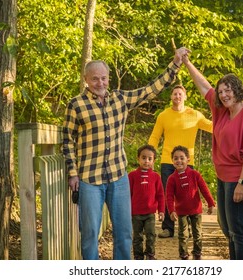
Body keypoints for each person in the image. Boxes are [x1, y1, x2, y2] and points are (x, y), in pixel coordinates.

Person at [62, 47, 189, 260]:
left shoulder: (120, 99)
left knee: (124, 232)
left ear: (108, 78)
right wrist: (72, 173)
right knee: (90, 233)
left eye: (103, 78)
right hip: (88, 179)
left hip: (118, 176)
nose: (100, 83)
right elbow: (67, 140)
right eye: (95, 79)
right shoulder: (76, 105)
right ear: (86, 79)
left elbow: (151, 90)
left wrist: (175, 64)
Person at [182, 55, 243, 260]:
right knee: (229, 230)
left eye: (228, 90)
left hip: (238, 179)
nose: (224, 94)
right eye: (221, 92)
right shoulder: (221, 112)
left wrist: (242, 183)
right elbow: (203, 86)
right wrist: (186, 63)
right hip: (223, 178)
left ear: (237, 89)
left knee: (239, 231)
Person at [148, 85, 212, 238]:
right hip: (167, 161)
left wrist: (226, 117)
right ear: (171, 97)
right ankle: (168, 228)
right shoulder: (163, 116)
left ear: (185, 96)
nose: (177, 96)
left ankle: (189, 228)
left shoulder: (195, 114)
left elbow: (212, 127)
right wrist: (150, 154)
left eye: (180, 94)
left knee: (188, 195)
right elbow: (155, 136)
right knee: (166, 193)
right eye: (174, 94)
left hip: (187, 161)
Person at [166, 145, 215, 260]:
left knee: (197, 233)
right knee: (183, 234)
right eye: (176, 158)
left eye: (182, 158)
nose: (179, 161)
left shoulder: (194, 174)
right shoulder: (172, 178)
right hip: (181, 211)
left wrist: (210, 202)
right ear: (172, 161)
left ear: (188, 159)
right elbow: (168, 196)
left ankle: (197, 253)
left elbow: (204, 189)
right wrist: (171, 211)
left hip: (195, 209)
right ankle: (183, 253)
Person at [128, 144, 165, 260]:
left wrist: (161, 211)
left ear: (154, 160)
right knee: (137, 236)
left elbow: (160, 195)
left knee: (150, 234)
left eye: (150, 159)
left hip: (150, 213)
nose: (146, 161)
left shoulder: (156, 177)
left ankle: (150, 254)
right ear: (138, 158)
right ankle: (138, 256)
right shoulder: (132, 176)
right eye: (143, 158)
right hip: (136, 213)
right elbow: (128, 195)